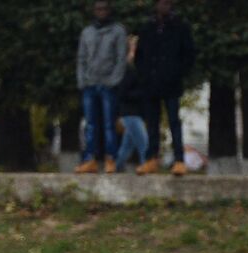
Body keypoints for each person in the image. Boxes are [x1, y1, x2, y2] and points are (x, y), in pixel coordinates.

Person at [134, 0, 195, 176]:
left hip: (171, 84)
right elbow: (140, 56)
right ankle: (151, 158)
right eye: (161, 3)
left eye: (167, 3)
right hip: (151, 84)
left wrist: (176, 73)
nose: (164, 7)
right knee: (152, 123)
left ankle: (179, 160)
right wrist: (145, 75)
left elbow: (189, 54)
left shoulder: (180, 28)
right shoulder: (147, 28)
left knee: (174, 122)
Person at [75, 0, 128, 174]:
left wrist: (114, 80)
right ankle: (90, 159)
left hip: (108, 85)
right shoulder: (87, 32)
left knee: (108, 124)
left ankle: (110, 158)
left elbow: (121, 58)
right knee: (90, 125)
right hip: (90, 84)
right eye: (98, 9)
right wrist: (82, 80)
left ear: (109, 10)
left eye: (104, 8)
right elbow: (81, 58)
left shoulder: (118, 31)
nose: (101, 12)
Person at [115, 36, 149, 172]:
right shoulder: (126, 68)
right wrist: (143, 92)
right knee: (144, 143)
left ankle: (117, 167)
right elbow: (122, 92)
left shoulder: (139, 67)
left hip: (137, 113)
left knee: (127, 145)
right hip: (130, 112)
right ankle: (146, 166)